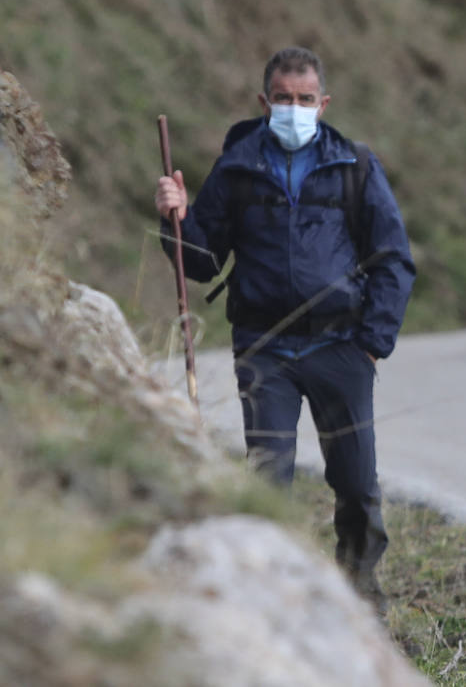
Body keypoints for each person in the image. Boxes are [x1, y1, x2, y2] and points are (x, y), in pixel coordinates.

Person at [155, 46, 416, 609]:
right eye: (282, 98)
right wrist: (173, 217)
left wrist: (372, 345)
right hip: (263, 350)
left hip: (341, 346)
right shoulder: (237, 167)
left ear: (323, 104)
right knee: (267, 479)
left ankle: (360, 596)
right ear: (263, 100)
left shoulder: (356, 166)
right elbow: (199, 261)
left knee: (356, 484)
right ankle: (265, 597)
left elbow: (393, 259)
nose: (292, 108)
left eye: (303, 99)